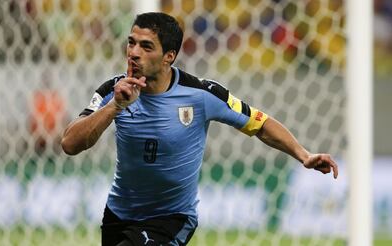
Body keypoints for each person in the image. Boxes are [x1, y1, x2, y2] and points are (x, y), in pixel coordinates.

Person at [61, 12, 338, 246]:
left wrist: (303, 155)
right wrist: (115, 107)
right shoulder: (113, 91)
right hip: (119, 214)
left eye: (146, 47)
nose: (133, 53)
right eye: (131, 43)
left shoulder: (202, 94)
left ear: (169, 56)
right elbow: (70, 144)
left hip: (172, 218)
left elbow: (260, 123)